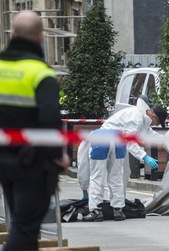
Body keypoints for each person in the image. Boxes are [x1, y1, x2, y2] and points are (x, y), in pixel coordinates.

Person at [0, 10, 69, 251]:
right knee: (25, 229)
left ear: (12, 34)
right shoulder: (41, 73)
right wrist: (58, 155)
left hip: (3, 161)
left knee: (23, 228)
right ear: (40, 37)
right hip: (31, 162)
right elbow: (50, 118)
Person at [82, 98, 167, 222]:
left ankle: (96, 211)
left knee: (97, 177)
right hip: (117, 142)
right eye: (157, 123)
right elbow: (130, 140)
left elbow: (150, 133)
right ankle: (118, 210)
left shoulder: (140, 117)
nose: (156, 126)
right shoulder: (136, 116)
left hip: (102, 138)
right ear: (153, 117)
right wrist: (144, 156)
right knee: (116, 176)